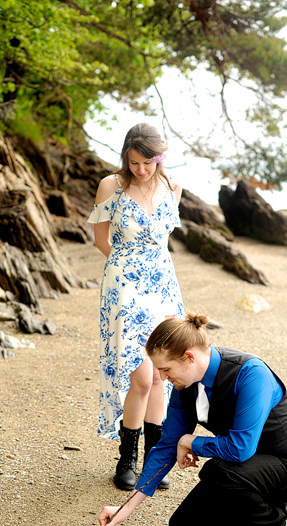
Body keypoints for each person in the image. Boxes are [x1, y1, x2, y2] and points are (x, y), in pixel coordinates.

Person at [97, 311, 287, 526]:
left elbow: (240, 449)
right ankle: (267, 504)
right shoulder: (184, 386)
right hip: (247, 467)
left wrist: (191, 442)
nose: (163, 378)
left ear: (189, 357)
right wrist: (126, 507)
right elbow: (168, 445)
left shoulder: (251, 373)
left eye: (166, 369)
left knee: (218, 471)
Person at [88, 124, 186, 490]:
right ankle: (126, 459)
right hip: (125, 286)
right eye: (133, 162)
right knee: (141, 377)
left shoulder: (173, 187)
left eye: (146, 163)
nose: (140, 170)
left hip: (163, 287)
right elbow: (101, 239)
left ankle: (153, 460)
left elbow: (163, 243)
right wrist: (126, 274)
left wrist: (151, 274)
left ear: (158, 160)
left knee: (162, 374)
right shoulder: (111, 185)